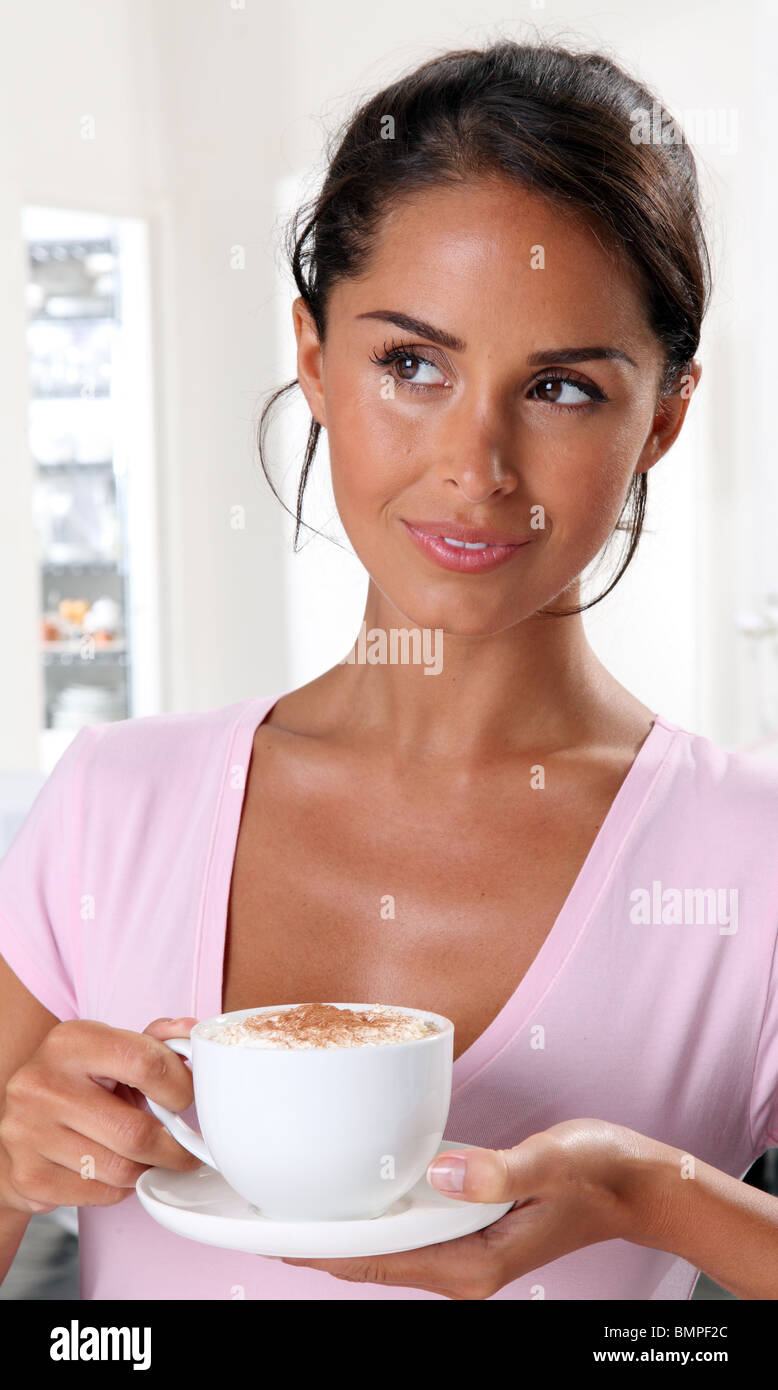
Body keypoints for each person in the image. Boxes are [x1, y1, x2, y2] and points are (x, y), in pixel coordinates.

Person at [1, 37, 777, 1302]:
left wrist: (658, 1198)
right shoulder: (110, 811)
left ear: (665, 417)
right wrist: (9, 1170)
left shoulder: (750, 858)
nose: (476, 466)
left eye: (565, 387)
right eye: (410, 364)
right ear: (312, 357)